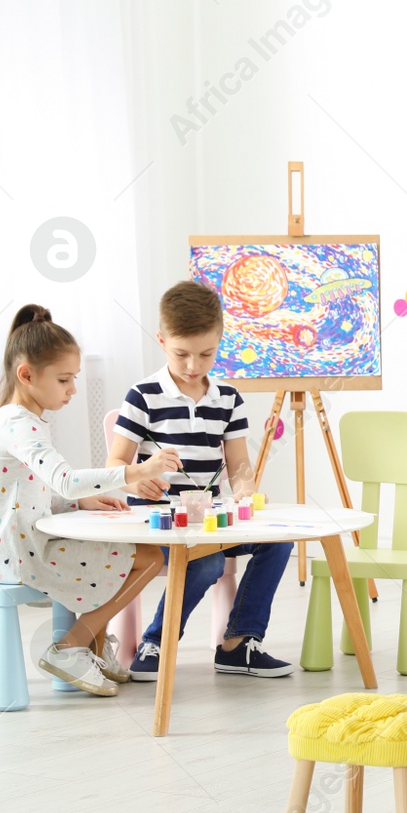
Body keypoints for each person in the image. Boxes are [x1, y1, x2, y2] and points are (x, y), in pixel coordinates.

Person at [0, 305, 176, 696]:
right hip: (17, 553)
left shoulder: (22, 419)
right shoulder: (19, 424)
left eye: (74, 378)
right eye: (63, 379)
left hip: (19, 542)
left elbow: (27, 496)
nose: (72, 389)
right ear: (27, 374)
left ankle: (89, 645)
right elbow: (67, 480)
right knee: (150, 557)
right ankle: (72, 647)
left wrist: (79, 504)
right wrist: (136, 471)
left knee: (128, 550)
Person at [109, 281, 295, 679]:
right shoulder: (142, 397)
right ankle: (156, 644)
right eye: (182, 354)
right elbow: (116, 463)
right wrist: (136, 480)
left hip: (209, 521)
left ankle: (238, 642)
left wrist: (245, 494)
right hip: (156, 526)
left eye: (206, 354)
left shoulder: (228, 398)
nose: (194, 365)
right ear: (161, 341)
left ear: (220, 340)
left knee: (278, 542)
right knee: (208, 561)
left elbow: (239, 465)